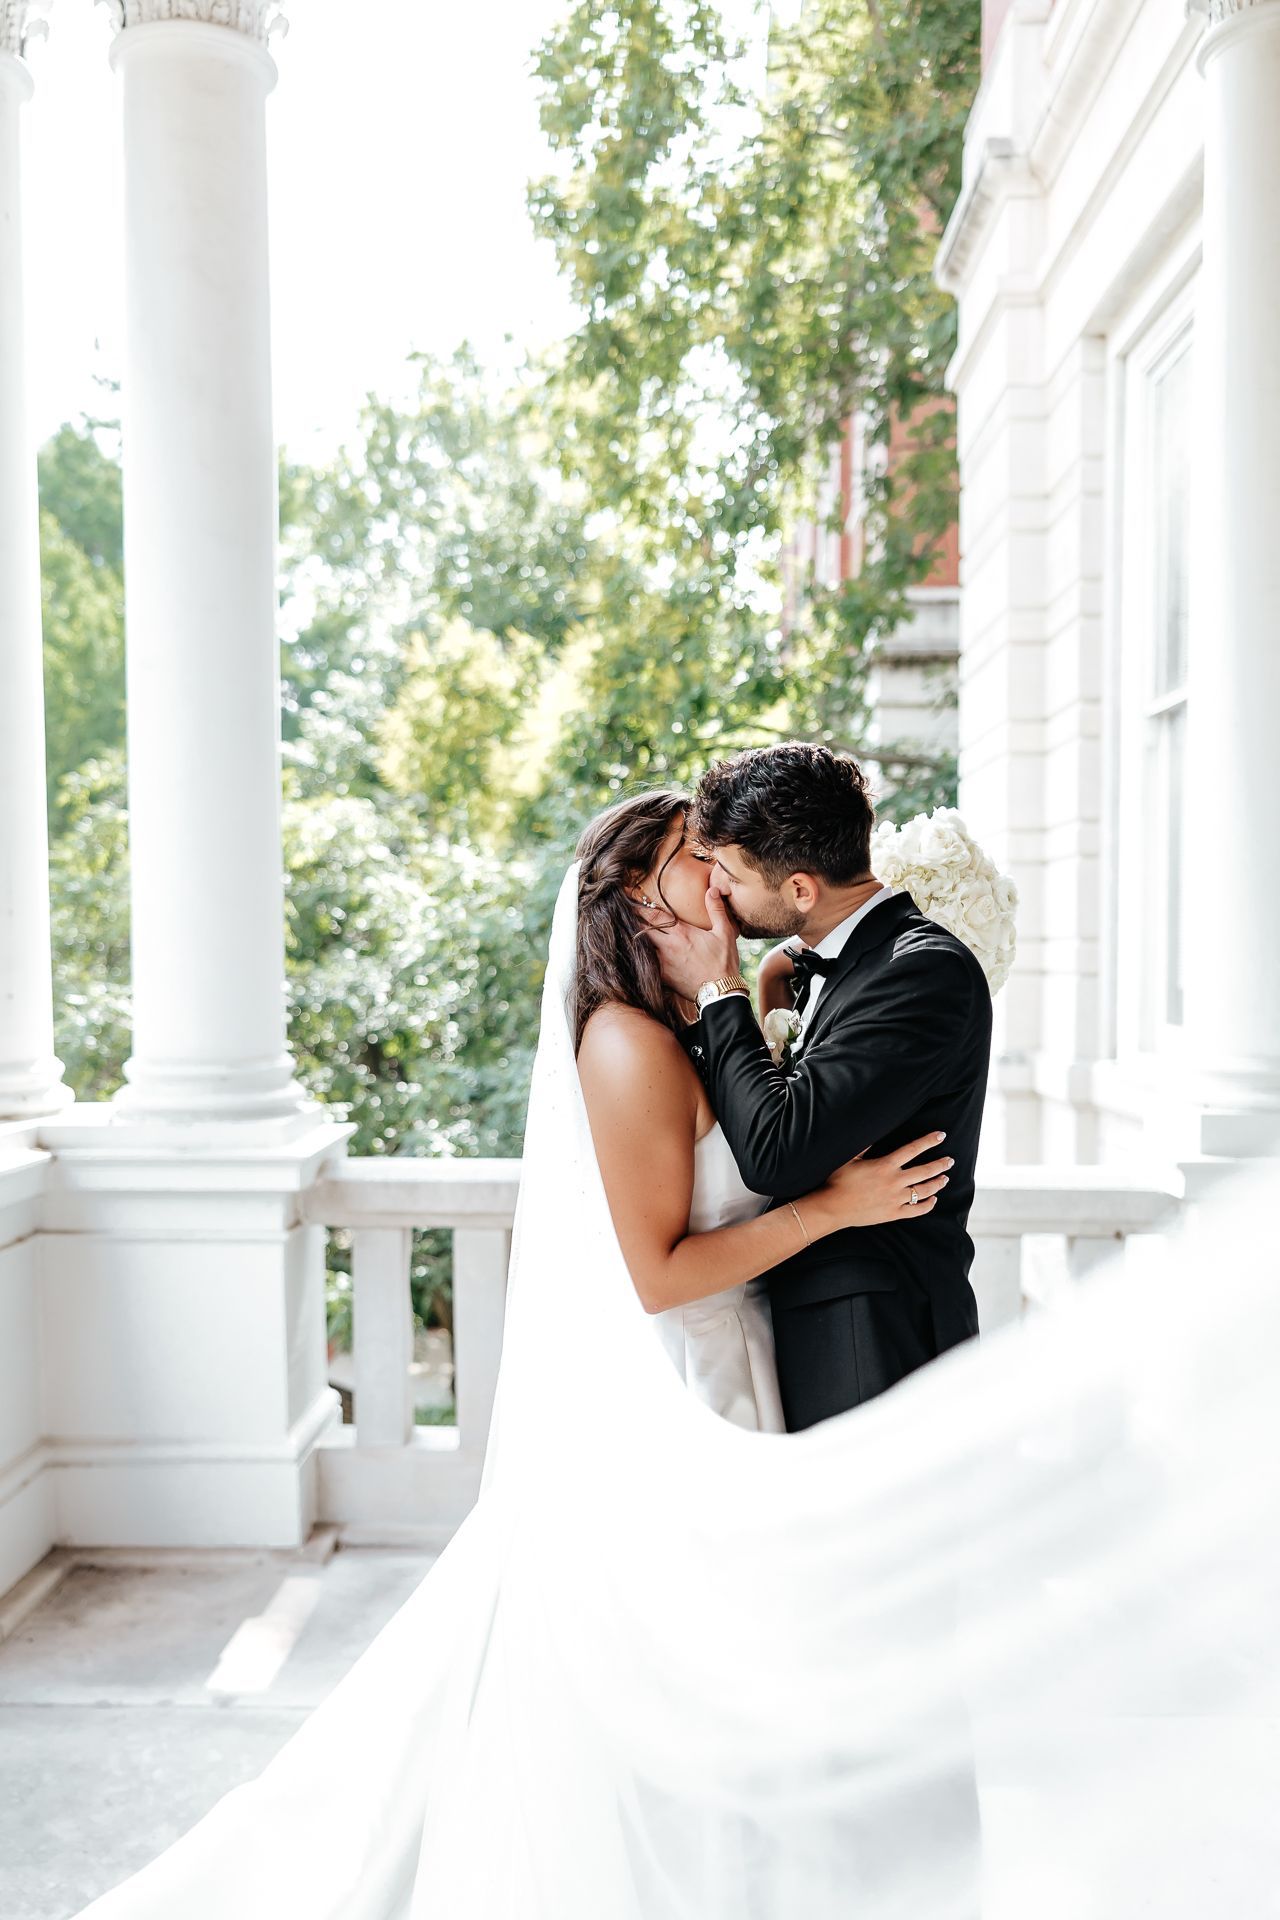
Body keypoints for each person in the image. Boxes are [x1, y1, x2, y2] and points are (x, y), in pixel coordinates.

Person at [572, 788, 953, 1432]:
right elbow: (658, 1279)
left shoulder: (695, 1015)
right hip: (706, 1378)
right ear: (639, 889)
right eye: (699, 853)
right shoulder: (626, 1045)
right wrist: (837, 1207)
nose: (722, 868)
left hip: (765, 1346)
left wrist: (775, 980)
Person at [643, 743, 993, 1430]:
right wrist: (771, 981)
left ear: (801, 889)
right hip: (815, 1324)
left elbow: (778, 1152)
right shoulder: (825, 962)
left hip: (872, 1339)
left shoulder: (921, 974)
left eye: (731, 875)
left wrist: (723, 989)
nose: (716, 892)